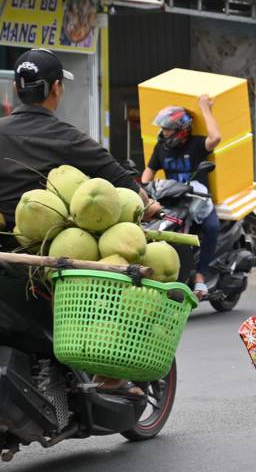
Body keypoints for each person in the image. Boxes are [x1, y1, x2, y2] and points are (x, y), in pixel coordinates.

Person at [0, 47, 158, 396]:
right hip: (40, 256)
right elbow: (119, 179)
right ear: (56, 89)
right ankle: (109, 377)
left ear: (17, 89)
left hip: (4, 253)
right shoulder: (67, 137)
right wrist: (147, 204)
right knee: (108, 289)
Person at [141, 96, 221, 299]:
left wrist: (205, 108)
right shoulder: (162, 148)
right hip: (173, 201)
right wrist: (143, 191)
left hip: (198, 200)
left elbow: (215, 138)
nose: (163, 132)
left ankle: (201, 276)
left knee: (211, 227)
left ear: (180, 130)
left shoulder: (195, 145)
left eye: (167, 129)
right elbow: (148, 173)